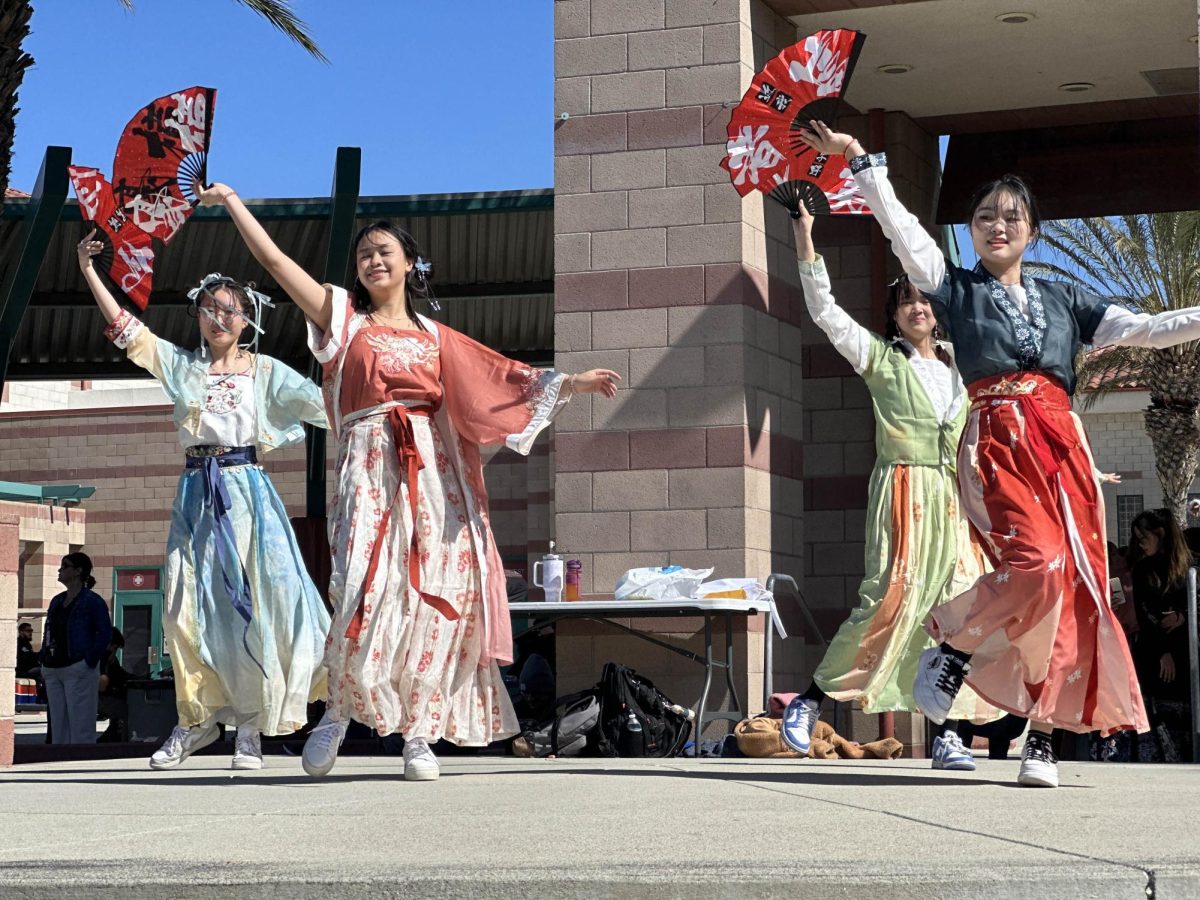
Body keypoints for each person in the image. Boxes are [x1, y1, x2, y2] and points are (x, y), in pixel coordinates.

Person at [798, 120, 1200, 788]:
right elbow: (900, 228)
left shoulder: (1066, 300)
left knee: (1074, 588)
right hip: (998, 443)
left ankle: (1042, 735)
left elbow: (1153, 331)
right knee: (1036, 566)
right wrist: (858, 161)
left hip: (1062, 444)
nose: (997, 225)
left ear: (1032, 231)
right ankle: (952, 641)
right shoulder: (955, 289)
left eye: (1011, 216)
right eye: (984, 216)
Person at [200, 181, 620, 780]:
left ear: (408, 263)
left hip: (433, 475)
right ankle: (340, 715)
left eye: (383, 251)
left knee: (434, 600)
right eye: (364, 253)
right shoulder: (343, 319)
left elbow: (496, 378)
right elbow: (274, 262)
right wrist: (237, 204)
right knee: (364, 594)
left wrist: (569, 385)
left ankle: (419, 735)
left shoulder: (434, 336)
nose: (372, 260)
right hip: (370, 464)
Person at [78, 230, 332, 771]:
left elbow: (327, 405)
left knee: (257, 607)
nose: (218, 319)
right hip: (195, 493)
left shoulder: (264, 371)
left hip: (247, 494)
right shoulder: (183, 369)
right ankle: (196, 721)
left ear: (247, 319)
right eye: (208, 310)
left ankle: (250, 728)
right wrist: (88, 271)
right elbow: (131, 333)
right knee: (182, 608)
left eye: (229, 310)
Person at [780, 204, 992, 771]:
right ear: (894, 316)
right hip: (902, 497)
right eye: (905, 301)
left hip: (951, 503)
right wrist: (805, 238)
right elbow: (824, 311)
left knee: (958, 611)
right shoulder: (879, 358)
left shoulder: (962, 370)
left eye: (922, 298)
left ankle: (947, 733)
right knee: (889, 601)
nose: (917, 307)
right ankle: (808, 702)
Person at [1127, 509, 1193, 762]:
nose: (1140, 544)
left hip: (1187, 650)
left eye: (1144, 537)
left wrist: (1183, 615)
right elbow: (1145, 613)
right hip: (1155, 650)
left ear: (1161, 534)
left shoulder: (1191, 566)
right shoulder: (1143, 569)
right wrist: (1162, 651)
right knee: (1159, 712)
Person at [40, 553, 111, 744]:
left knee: (81, 725)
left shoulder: (93, 601)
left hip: (78, 666)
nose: (60, 570)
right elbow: (49, 630)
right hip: (53, 667)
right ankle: (59, 763)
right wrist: (44, 659)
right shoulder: (56, 601)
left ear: (79, 571)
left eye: (65, 566)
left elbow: (105, 634)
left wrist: (88, 661)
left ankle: (80, 763)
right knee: (58, 726)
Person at [97, 627, 131, 743]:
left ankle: (109, 737)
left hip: (105, 696)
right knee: (127, 712)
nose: (115, 652)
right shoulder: (103, 657)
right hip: (101, 698)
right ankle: (123, 740)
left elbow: (121, 674)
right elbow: (102, 685)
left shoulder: (109, 658)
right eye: (115, 648)